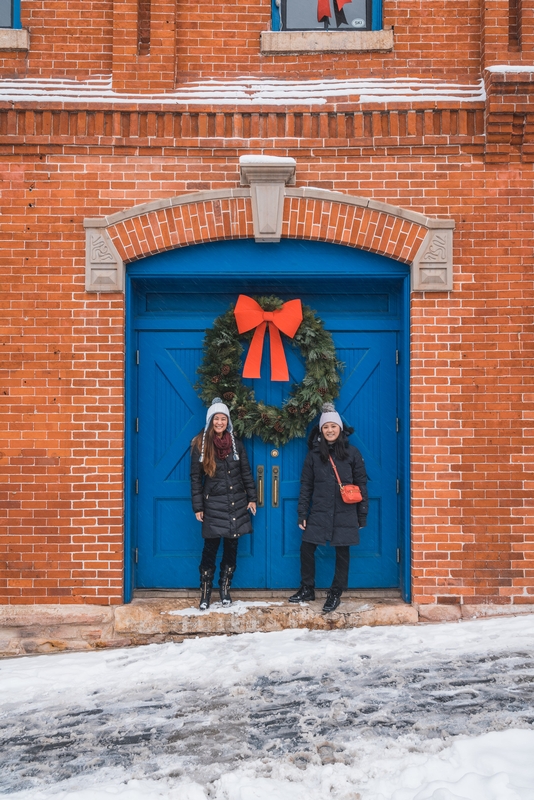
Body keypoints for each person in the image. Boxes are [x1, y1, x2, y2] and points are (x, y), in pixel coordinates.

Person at [289, 402, 368, 613]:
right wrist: (301, 513)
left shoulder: (352, 453)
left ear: (340, 428)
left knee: (342, 552)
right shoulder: (314, 455)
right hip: (320, 511)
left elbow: (362, 485)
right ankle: (307, 588)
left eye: (333, 426)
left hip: (345, 512)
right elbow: (306, 485)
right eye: (326, 427)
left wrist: (362, 515)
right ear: (321, 431)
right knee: (307, 548)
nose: (330, 430)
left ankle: (336, 592)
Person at [190, 397, 257, 610]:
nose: (219, 422)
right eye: (216, 419)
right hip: (213, 504)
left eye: (223, 418)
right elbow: (195, 478)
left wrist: (252, 497)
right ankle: (205, 591)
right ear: (210, 421)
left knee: (232, 546)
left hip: (236, 503)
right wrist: (198, 506)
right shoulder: (200, 444)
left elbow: (245, 472)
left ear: (227, 421)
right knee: (210, 547)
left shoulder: (236, 444)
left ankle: (225, 588)